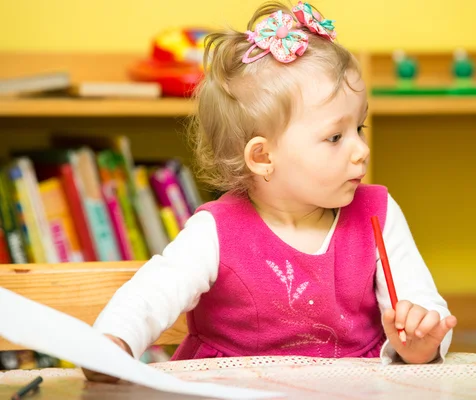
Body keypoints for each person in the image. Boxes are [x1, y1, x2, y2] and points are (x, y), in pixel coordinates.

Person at [84, 0, 457, 382]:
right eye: (334, 137)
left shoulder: (379, 211)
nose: (361, 151)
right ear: (263, 156)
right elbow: (152, 292)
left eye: (359, 129)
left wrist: (421, 340)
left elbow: (423, 307)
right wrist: (113, 343)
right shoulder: (217, 230)